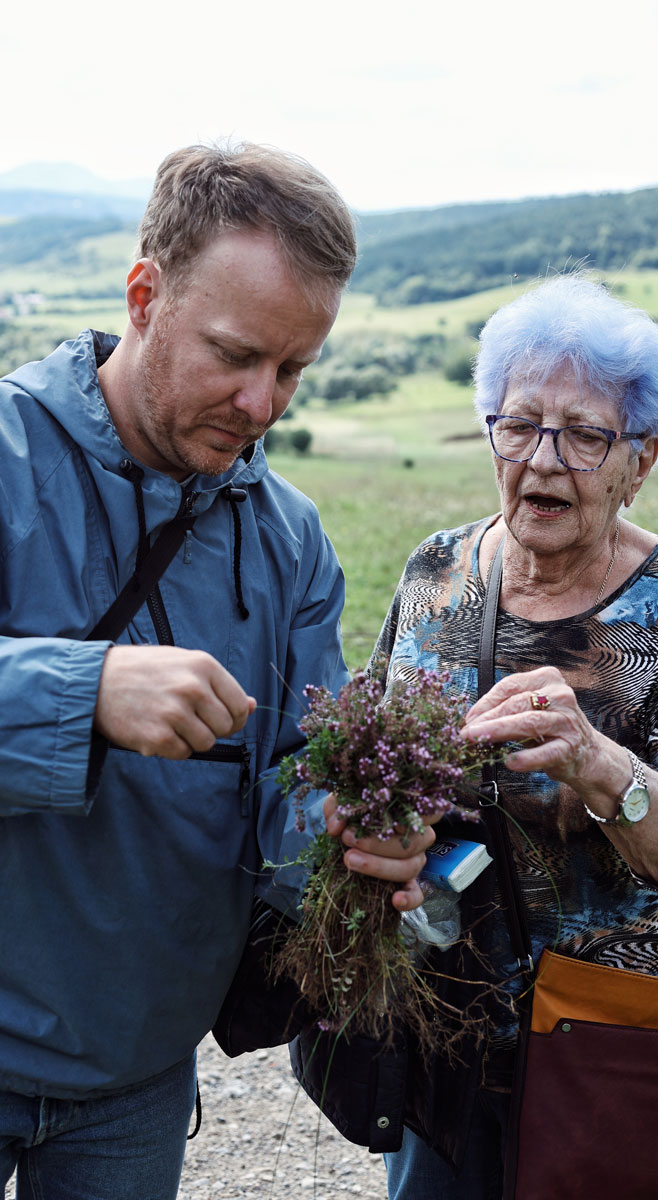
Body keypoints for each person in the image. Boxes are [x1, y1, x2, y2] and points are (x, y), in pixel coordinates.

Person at [0, 142, 433, 1200]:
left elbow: (293, 772)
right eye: (235, 355)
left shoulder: (288, 539)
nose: (260, 403)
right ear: (145, 294)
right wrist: (82, 689)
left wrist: (349, 827)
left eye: (291, 369)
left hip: (138, 1073)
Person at [294, 274, 658, 1198]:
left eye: (585, 433)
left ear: (641, 459)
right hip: (442, 1023)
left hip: (607, 1046)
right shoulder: (435, 571)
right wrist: (366, 827)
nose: (544, 461)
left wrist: (599, 764)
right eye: (519, 424)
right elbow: (358, 762)